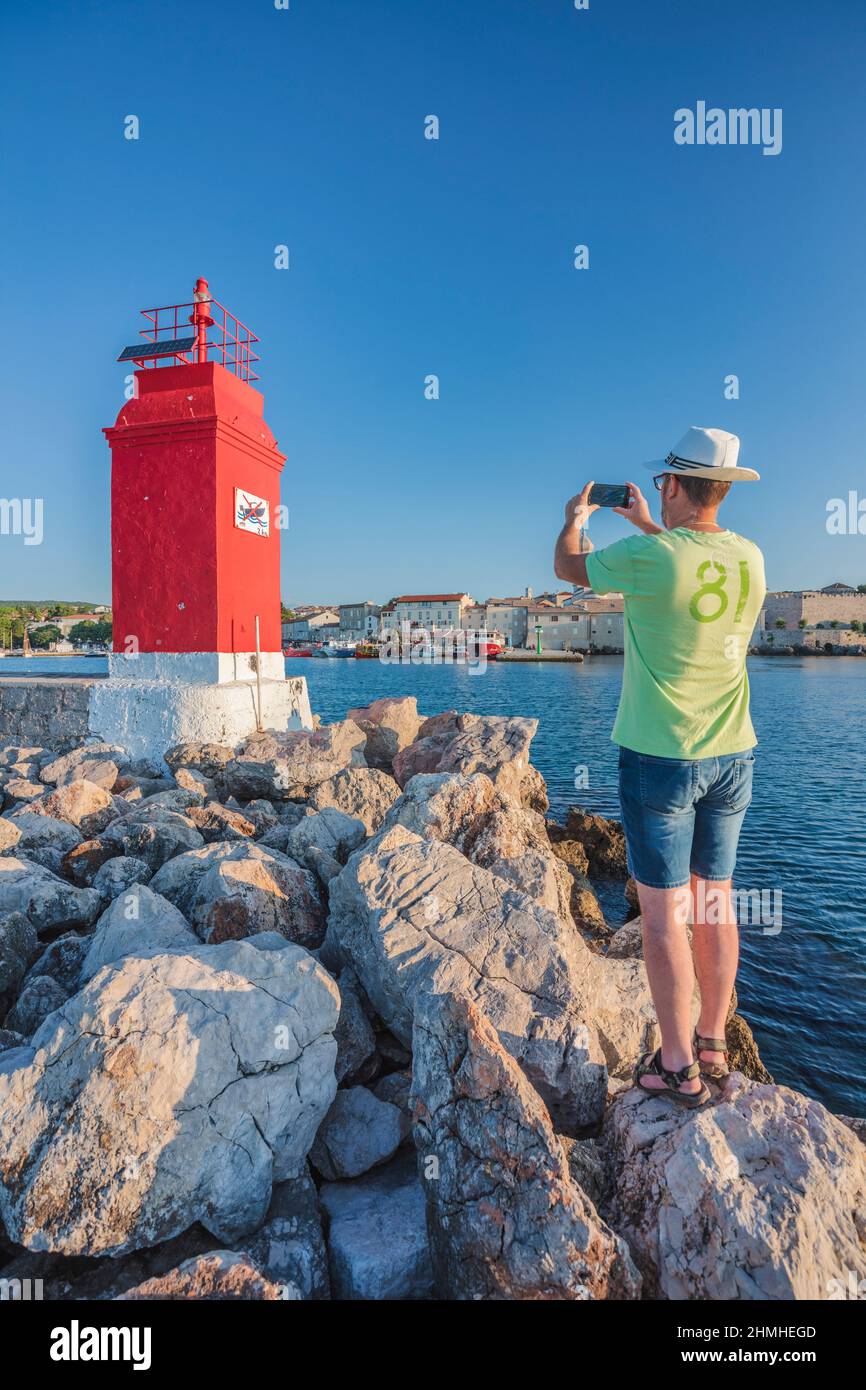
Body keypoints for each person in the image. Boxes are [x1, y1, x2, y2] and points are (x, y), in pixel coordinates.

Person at [553, 427, 766, 1106]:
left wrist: (575, 521)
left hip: (661, 757)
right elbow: (689, 571)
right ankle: (712, 1040)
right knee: (714, 899)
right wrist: (651, 526)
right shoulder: (751, 558)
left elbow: (569, 569)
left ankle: (675, 1066)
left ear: (672, 484)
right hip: (734, 753)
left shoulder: (652, 561)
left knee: (662, 910)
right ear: (724, 490)